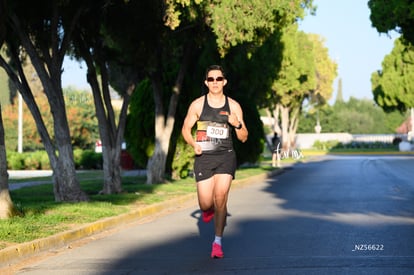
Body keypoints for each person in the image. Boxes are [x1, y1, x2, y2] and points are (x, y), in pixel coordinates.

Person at [181, 65, 248, 259]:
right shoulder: (197, 105)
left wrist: (238, 124)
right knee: (205, 203)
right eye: (211, 79)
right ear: (206, 82)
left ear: (224, 82)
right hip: (204, 157)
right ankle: (208, 210)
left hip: (226, 156)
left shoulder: (233, 106)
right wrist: (193, 144)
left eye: (219, 79)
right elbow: (186, 129)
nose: (215, 82)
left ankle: (217, 242)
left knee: (220, 197)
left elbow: (243, 137)